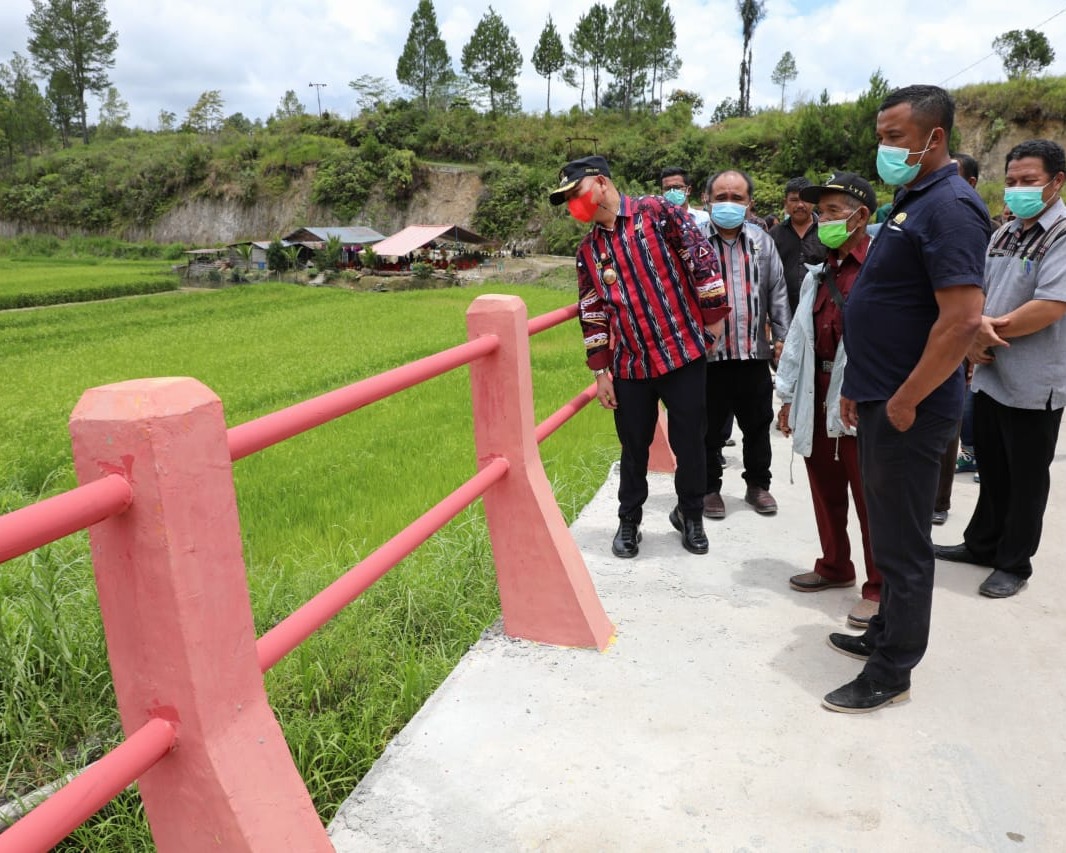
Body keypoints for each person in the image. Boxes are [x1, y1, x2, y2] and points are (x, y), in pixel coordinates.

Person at [823, 84, 990, 714]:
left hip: (909, 408)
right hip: (881, 396)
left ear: (934, 138)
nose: (884, 148)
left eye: (895, 137)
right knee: (889, 531)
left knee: (904, 542)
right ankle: (885, 634)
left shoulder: (950, 207)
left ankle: (893, 671)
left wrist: (903, 400)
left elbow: (961, 321)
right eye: (882, 136)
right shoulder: (911, 200)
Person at [549, 155, 730, 558]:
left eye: (575, 194)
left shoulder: (656, 213)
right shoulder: (589, 251)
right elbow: (592, 311)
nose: (574, 206)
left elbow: (700, 259)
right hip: (631, 365)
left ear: (599, 183)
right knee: (633, 448)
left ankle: (691, 514)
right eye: (567, 201)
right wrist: (600, 371)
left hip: (682, 351)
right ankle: (629, 521)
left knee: (690, 442)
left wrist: (714, 317)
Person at [935, 139, 1066, 598]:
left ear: (1057, 182)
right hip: (991, 374)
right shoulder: (1005, 231)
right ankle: (981, 543)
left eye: (1028, 182)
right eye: (1011, 182)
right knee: (991, 467)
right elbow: (978, 287)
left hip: (1035, 380)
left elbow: (1050, 305)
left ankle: (1015, 562)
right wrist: (975, 331)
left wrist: (983, 331)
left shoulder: (1062, 233)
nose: (1017, 190)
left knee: (1027, 477)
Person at [775, 172, 883, 629]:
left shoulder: (882, 267)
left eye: (835, 211)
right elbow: (799, 338)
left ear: (861, 216)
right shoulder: (820, 272)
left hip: (859, 394)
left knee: (870, 495)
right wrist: (785, 397)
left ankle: (879, 588)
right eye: (822, 211)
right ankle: (835, 565)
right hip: (814, 391)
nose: (825, 220)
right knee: (823, 482)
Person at [701, 169, 791, 519]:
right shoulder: (693, 242)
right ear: (707, 200)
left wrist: (781, 339)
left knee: (757, 425)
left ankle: (758, 485)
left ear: (749, 203)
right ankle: (710, 489)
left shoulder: (761, 242)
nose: (728, 204)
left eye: (736, 198)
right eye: (721, 197)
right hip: (709, 356)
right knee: (707, 428)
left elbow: (777, 294)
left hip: (753, 352)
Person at [933, 152, 986, 524]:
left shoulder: (971, 222)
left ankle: (939, 501)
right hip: (928, 335)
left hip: (962, 338)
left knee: (948, 423)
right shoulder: (929, 217)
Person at [770, 177, 828, 314]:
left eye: (805, 200)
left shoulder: (826, 231)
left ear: (814, 202)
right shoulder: (774, 235)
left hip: (819, 309)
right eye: (794, 200)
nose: (800, 205)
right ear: (785, 203)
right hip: (785, 310)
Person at [660, 166, 711, 233]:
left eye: (677, 187)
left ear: (688, 190)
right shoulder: (658, 222)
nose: (672, 192)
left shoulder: (704, 218)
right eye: (667, 188)